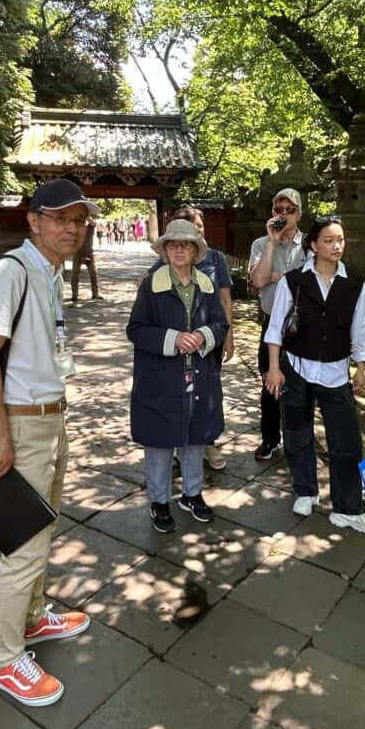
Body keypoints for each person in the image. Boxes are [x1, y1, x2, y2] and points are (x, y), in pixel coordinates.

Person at [0, 178, 99, 708]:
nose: (72, 228)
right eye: (60, 218)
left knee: (43, 528)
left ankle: (32, 616)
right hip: (22, 424)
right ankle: (5, 659)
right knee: (22, 546)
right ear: (34, 221)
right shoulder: (10, 273)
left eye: (79, 220)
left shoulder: (46, 274)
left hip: (51, 418)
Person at [264, 217, 365, 534]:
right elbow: (276, 328)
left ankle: (348, 508)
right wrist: (274, 368)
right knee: (297, 433)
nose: (336, 246)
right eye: (328, 240)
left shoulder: (354, 283)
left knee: (346, 442)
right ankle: (305, 490)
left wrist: (361, 365)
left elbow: (360, 328)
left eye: (340, 239)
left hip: (336, 372)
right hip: (297, 368)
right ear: (313, 245)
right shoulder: (293, 281)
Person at [127, 219, 228, 535]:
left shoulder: (207, 285)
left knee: (196, 437)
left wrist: (203, 335)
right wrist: (172, 338)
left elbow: (220, 324)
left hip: (199, 375)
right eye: (173, 244)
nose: (180, 249)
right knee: (159, 441)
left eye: (186, 244)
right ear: (165, 250)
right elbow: (136, 330)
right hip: (160, 377)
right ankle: (159, 501)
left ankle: (192, 494)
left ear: (196, 250)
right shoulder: (151, 285)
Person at [145, 205, 234, 470]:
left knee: (206, 393)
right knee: (174, 391)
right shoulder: (168, 259)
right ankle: (175, 442)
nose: (196, 232)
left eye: (198, 227)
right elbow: (148, 286)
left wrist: (228, 336)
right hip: (176, 342)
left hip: (208, 338)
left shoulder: (216, 259)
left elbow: (225, 299)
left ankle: (207, 443)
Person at [248, 188, 306, 461]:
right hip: (272, 322)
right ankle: (270, 439)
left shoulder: (309, 245)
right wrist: (272, 243)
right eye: (278, 210)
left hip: (303, 325)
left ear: (299, 214)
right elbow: (258, 280)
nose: (283, 215)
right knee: (269, 383)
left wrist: (278, 277)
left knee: (300, 385)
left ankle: (298, 441)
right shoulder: (261, 244)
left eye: (289, 210)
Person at [70, 216, 102, 302]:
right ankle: (74, 296)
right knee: (75, 275)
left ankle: (95, 294)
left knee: (93, 275)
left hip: (89, 254)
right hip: (77, 254)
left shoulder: (89, 228)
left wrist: (86, 215)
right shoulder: (75, 229)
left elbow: (93, 223)